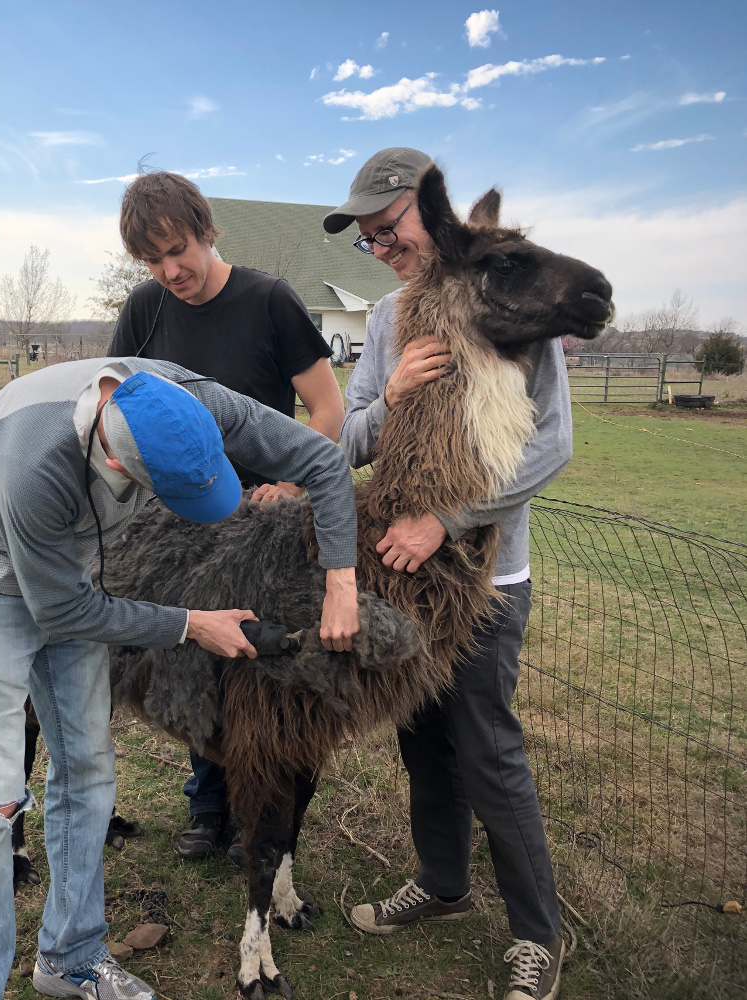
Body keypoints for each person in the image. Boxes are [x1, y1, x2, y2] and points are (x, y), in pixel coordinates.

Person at [0, 357, 359, 1000]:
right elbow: (64, 611)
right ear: (121, 469)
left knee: (87, 769)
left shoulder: (193, 402)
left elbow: (322, 462)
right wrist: (192, 624)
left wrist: (341, 582)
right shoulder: (34, 464)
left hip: (76, 566)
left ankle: (70, 957)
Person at [324, 148, 569, 1000]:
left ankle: (538, 935)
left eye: (387, 230)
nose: (382, 248)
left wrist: (444, 521)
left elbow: (551, 447)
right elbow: (345, 440)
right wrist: (386, 395)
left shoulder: (509, 300)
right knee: (421, 741)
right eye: (369, 241)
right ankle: (443, 885)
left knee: (487, 750)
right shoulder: (389, 319)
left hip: (483, 581)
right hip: (404, 584)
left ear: (429, 214)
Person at [108, 170, 345, 865]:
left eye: (178, 249)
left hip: (261, 528)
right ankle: (206, 804)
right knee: (190, 658)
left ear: (205, 230)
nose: (170, 270)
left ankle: (260, 813)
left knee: (257, 668)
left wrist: (290, 483)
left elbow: (327, 410)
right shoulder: (144, 309)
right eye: (153, 261)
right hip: (176, 528)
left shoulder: (270, 301)